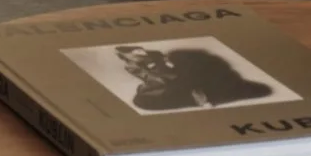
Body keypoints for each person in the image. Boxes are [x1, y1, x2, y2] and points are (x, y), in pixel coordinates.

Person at [117, 41, 275, 113]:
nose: (139, 52)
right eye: (134, 52)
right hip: (170, 84)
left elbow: (168, 67)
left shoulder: (162, 56)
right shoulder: (134, 67)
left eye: (139, 49)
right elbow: (152, 77)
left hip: (184, 80)